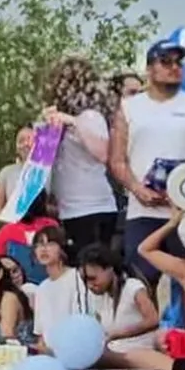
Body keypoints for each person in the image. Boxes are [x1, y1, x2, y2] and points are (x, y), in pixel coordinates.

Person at [113, 39, 185, 288]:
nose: (174, 67)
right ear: (149, 69)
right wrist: (137, 189)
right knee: (141, 283)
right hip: (144, 211)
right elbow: (117, 160)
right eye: (165, 61)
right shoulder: (129, 107)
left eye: (178, 62)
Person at [38, 54, 120, 255]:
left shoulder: (89, 117)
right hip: (66, 210)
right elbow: (43, 164)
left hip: (93, 207)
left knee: (94, 267)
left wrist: (73, 122)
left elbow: (103, 153)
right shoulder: (51, 121)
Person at [22, 225, 84, 343]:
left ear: (62, 248)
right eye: (39, 244)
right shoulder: (42, 288)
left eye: (50, 244)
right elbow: (40, 332)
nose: (43, 249)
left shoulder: (76, 277)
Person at [0, 127, 37, 221]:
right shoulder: (6, 172)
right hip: (13, 226)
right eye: (21, 141)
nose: (25, 144)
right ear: (16, 148)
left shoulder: (48, 172)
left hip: (42, 227)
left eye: (30, 139)